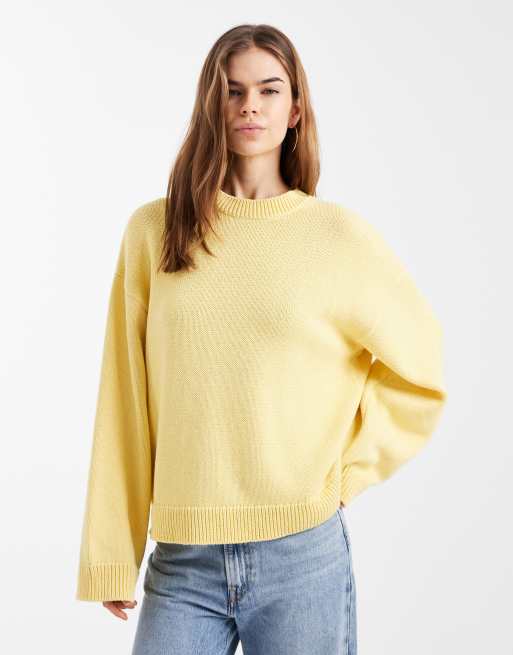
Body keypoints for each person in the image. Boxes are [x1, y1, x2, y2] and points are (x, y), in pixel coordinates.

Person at [75, 23, 447, 655]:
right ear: (210, 104)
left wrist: (344, 475)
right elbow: (124, 400)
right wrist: (114, 552)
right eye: (233, 90)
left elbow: (421, 369)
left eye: (269, 90)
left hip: (302, 555)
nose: (250, 105)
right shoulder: (155, 232)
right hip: (183, 560)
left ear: (294, 109)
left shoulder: (336, 238)